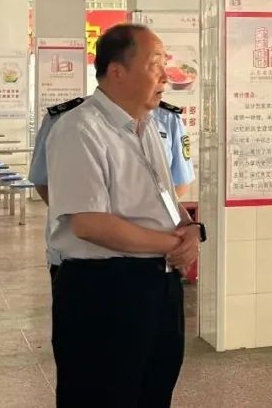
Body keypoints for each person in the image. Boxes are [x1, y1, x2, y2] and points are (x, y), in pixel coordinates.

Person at [45, 23, 203, 407]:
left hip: (158, 284)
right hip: (104, 290)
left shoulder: (147, 127)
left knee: (153, 390)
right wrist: (172, 243)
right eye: (154, 64)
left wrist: (190, 229)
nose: (166, 76)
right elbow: (89, 224)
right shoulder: (80, 129)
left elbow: (165, 198)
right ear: (117, 71)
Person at [29, 95, 195, 287]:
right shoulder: (70, 122)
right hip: (90, 264)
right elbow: (45, 183)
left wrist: (190, 230)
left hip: (156, 262)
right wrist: (93, 219)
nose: (163, 79)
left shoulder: (163, 119)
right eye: (154, 72)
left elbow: (175, 186)